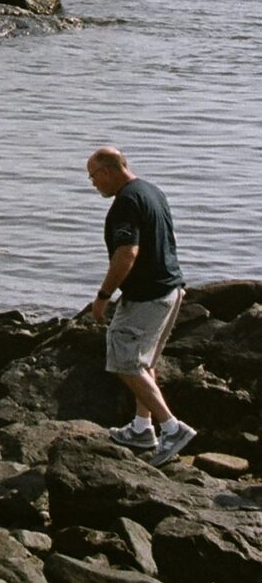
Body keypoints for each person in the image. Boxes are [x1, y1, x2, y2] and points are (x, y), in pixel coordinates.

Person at [85, 146, 194, 462]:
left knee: (125, 360)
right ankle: (142, 428)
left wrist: (103, 297)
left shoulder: (126, 203)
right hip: (171, 290)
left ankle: (171, 427)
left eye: (93, 177)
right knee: (143, 363)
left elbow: (127, 253)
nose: (93, 184)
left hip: (147, 297)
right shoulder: (151, 191)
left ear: (107, 171)